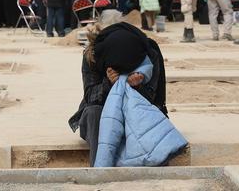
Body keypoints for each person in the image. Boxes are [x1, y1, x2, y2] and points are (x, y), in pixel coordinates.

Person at [68, 22, 168, 167]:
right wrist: (108, 84)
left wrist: (137, 86)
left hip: (136, 115)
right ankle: (100, 169)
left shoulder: (148, 53)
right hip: (101, 116)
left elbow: (151, 99)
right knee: (93, 112)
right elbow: (90, 96)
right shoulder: (94, 54)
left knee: (152, 121)